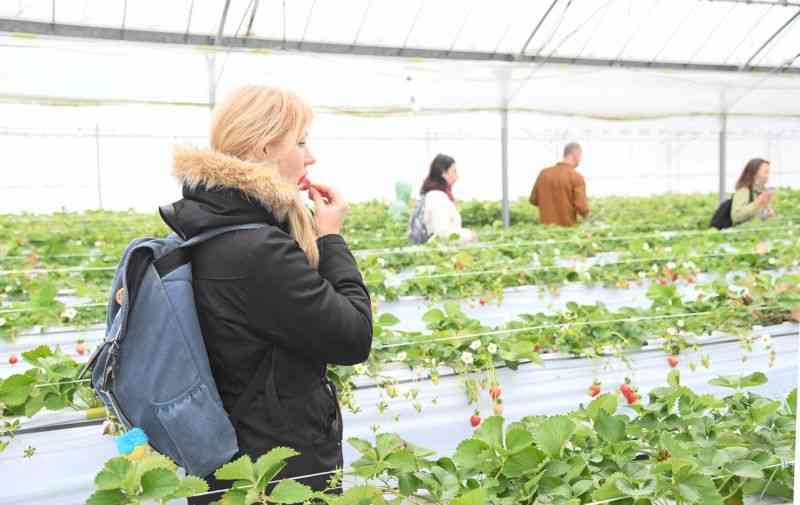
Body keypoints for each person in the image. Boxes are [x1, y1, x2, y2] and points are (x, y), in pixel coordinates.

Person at [159, 85, 372, 504]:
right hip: (275, 471)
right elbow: (353, 336)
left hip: (228, 457)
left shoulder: (207, 227)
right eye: (302, 141)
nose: (311, 156)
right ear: (264, 148)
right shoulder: (256, 251)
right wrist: (331, 240)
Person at [409, 154, 475, 244]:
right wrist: (469, 235)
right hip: (437, 255)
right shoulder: (437, 197)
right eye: (454, 171)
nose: (457, 176)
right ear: (444, 173)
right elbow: (442, 234)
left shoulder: (433, 195)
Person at [529, 142, 589, 227]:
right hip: (567, 231)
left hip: (544, 230)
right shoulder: (576, 177)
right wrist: (590, 219)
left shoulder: (544, 173)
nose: (580, 160)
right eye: (580, 156)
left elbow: (533, 200)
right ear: (575, 155)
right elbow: (581, 207)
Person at [731, 158, 776, 226]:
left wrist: (770, 215)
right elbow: (736, 216)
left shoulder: (760, 192)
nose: (768, 175)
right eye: (766, 172)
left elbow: (759, 217)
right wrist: (758, 202)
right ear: (754, 173)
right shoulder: (744, 191)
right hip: (745, 234)